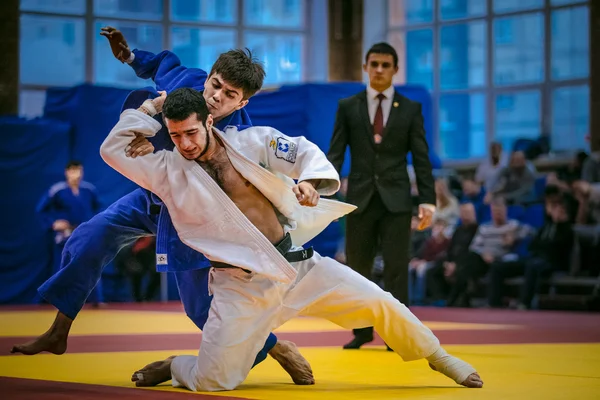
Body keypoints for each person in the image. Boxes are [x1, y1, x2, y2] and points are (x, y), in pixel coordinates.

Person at [101, 87, 483, 392]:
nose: (184, 144)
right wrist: (153, 107)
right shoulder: (168, 170)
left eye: (191, 132)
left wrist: (309, 182)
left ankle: (438, 356)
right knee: (212, 382)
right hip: (240, 287)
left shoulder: (252, 142)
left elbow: (301, 151)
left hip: (298, 265)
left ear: (208, 120)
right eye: (175, 135)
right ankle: (177, 365)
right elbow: (112, 150)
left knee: (380, 301)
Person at [11, 27, 313, 386]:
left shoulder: (242, 141)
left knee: (201, 310)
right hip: (151, 200)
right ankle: (59, 330)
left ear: (242, 102)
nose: (216, 96)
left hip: (197, 216)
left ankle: (276, 347)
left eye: (229, 94)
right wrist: (129, 56)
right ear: (210, 74)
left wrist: (154, 146)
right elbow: (161, 65)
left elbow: (255, 186)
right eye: (215, 84)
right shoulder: (188, 80)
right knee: (89, 236)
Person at [326, 42, 436, 350]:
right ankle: (361, 331)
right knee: (358, 269)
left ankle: (396, 334)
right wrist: (322, 189)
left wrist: (428, 200)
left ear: (395, 70)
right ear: (365, 66)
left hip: (398, 199)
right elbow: (335, 153)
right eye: (374, 64)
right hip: (359, 197)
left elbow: (422, 157)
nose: (379, 70)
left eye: (385, 65)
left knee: (396, 267)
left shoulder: (411, 109)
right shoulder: (348, 106)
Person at [36, 161, 103, 305]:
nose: (76, 174)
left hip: (85, 233)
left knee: (91, 265)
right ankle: (57, 300)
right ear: (67, 172)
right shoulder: (57, 190)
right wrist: (52, 223)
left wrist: (95, 225)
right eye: (73, 171)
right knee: (63, 266)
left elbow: (99, 208)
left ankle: (96, 300)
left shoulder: (89, 189)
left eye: (79, 171)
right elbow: (41, 210)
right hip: (65, 234)